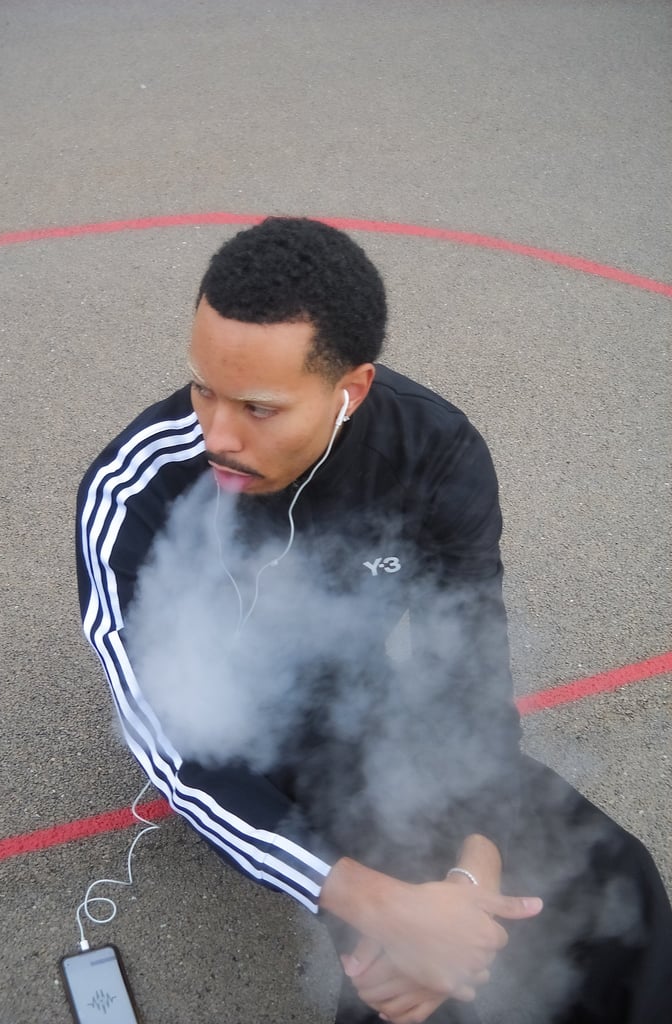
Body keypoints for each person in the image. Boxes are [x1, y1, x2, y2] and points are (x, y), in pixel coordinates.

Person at [76, 217, 671, 1024]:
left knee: (620, 879)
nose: (217, 434)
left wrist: (473, 880)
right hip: (241, 745)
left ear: (350, 390)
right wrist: (382, 908)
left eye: (259, 407)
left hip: (371, 703)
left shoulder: (435, 451)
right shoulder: (133, 492)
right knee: (405, 985)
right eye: (202, 388)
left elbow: (468, 670)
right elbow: (173, 753)